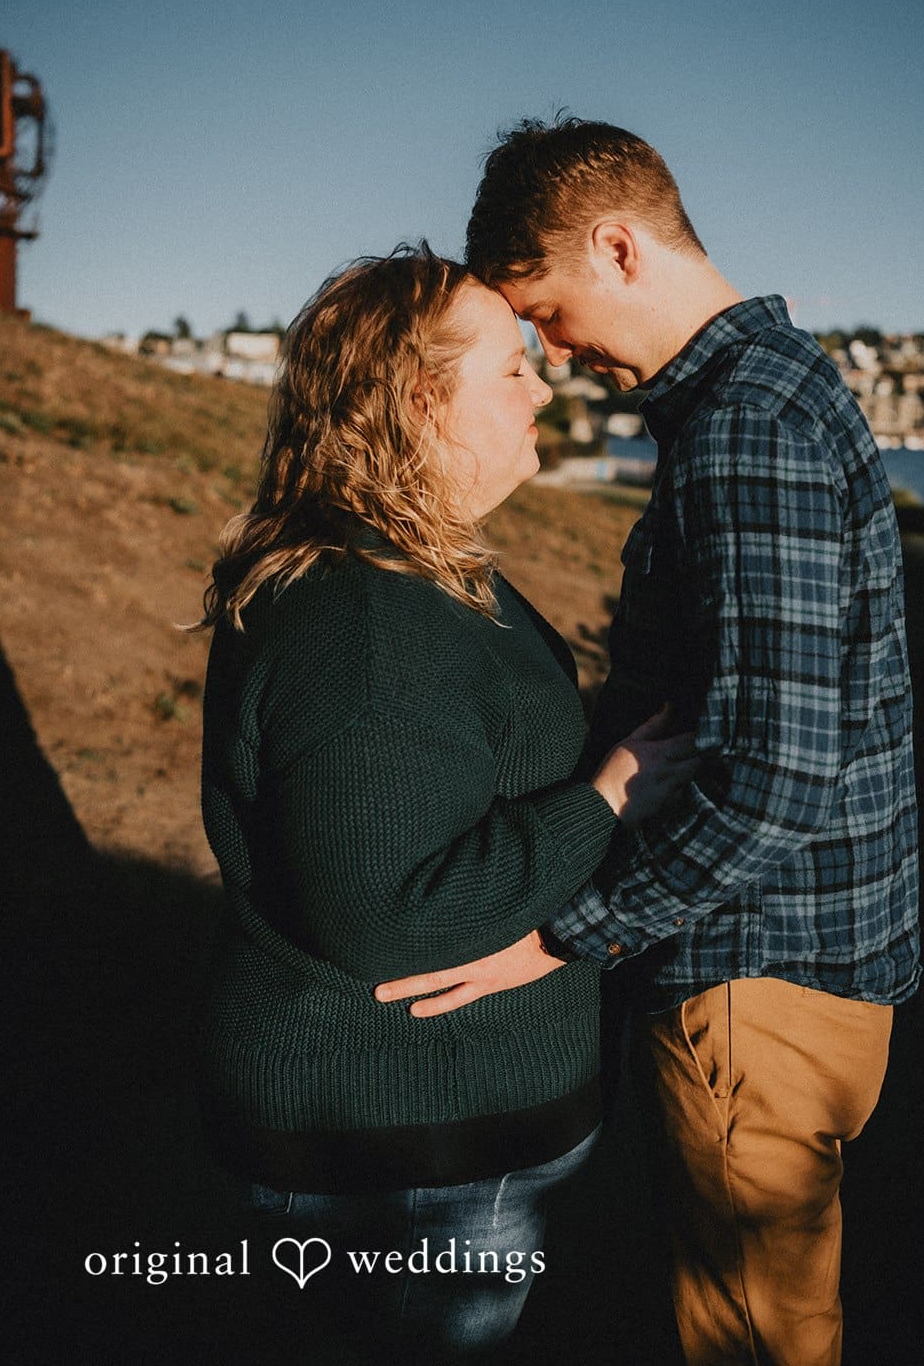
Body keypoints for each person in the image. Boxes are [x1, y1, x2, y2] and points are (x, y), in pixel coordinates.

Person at [376, 122, 921, 1366]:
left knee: (749, 1343)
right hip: (816, 969)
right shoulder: (788, 382)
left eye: (549, 313)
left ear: (616, 246)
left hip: (752, 982)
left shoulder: (742, 428)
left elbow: (773, 773)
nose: (553, 357)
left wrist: (560, 938)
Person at [195, 243, 694, 1361]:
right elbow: (389, 913)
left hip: (432, 1136)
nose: (542, 384)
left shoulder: (422, 571)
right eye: (509, 368)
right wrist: (608, 797)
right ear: (419, 401)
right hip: (397, 1154)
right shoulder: (363, 619)